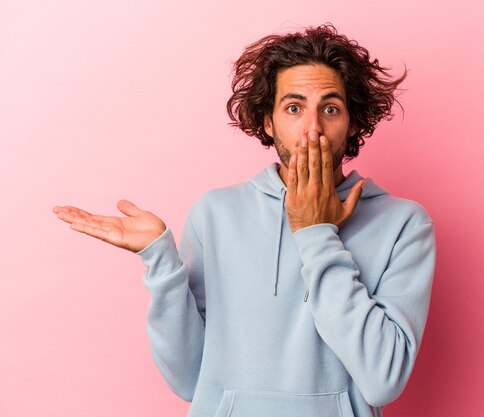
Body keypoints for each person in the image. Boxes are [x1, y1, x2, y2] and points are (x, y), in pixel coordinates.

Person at [53, 24, 436, 417]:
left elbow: (382, 379)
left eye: (331, 108)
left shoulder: (403, 224)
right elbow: (188, 380)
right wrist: (161, 260)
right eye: (293, 107)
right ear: (268, 122)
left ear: (353, 122)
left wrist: (316, 233)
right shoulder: (215, 214)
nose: (313, 128)